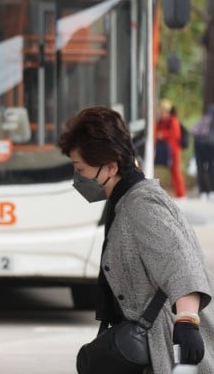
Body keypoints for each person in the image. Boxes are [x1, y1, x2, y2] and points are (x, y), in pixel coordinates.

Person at [59, 106, 213, 373]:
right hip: (152, 350)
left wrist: (187, 322)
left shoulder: (142, 204)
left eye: (80, 168)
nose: (78, 178)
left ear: (109, 166)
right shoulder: (126, 200)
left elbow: (180, 262)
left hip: (166, 349)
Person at [157, 98, 188, 199]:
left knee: (176, 171)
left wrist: (163, 135)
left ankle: (181, 193)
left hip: (174, 150)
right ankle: (178, 193)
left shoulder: (173, 120)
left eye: (164, 112)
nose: (162, 114)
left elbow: (175, 134)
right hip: (166, 150)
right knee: (172, 172)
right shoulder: (162, 122)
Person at [194, 105, 214, 201]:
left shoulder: (204, 119)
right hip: (210, 146)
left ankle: (204, 192)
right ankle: (210, 191)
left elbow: (193, 129)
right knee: (210, 168)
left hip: (199, 144)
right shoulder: (209, 120)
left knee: (201, 169)